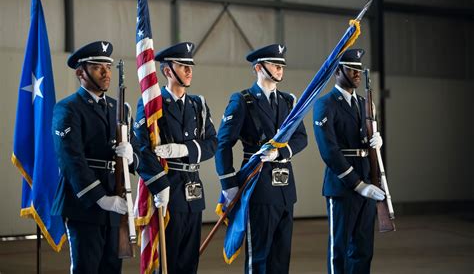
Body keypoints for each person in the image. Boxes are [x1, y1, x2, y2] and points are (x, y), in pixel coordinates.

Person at [215, 44, 308, 273]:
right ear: (258, 67)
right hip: (258, 186)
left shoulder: (288, 101)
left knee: (280, 259)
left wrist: (281, 152)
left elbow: (301, 137)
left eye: (281, 65)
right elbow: (223, 144)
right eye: (274, 64)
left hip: (286, 189)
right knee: (259, 258)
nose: (280, 68)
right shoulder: (242, 101)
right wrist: (229, 185)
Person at [51, 41, 140, 274]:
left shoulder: (117, 108)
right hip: (85, 204)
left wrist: (132, 157)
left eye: (108, 67)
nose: (106, 72)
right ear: (81, 72)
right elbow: (71, 160)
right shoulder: (68, 108)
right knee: (86, 268)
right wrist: (100, 197)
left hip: (115, 201)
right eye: (98, 67)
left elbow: (136, 149)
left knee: (111, 268)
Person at [134, 42, 217, 274]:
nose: (189, 71)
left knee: (189, 263)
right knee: (167, 262)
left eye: (191, 66)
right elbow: (141, 147)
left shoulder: (197, 105)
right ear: (168, 71)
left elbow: (213, 143)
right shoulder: (153, 104)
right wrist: (159, 185)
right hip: (167, 191)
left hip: (193, 193)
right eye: (183, 66)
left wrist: (183, 149)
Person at [312, 48, 385, 274]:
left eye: (358, 69)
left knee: (363, 249)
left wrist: (377, 140)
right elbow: (330, 151)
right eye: (351, 69)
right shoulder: (325, 104)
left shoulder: (365, 103)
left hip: (368, 180)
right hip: (343, 186)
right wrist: (358, 185)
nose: (356, 73)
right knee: (340, 250)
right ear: (337, 71)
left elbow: (365, 141)